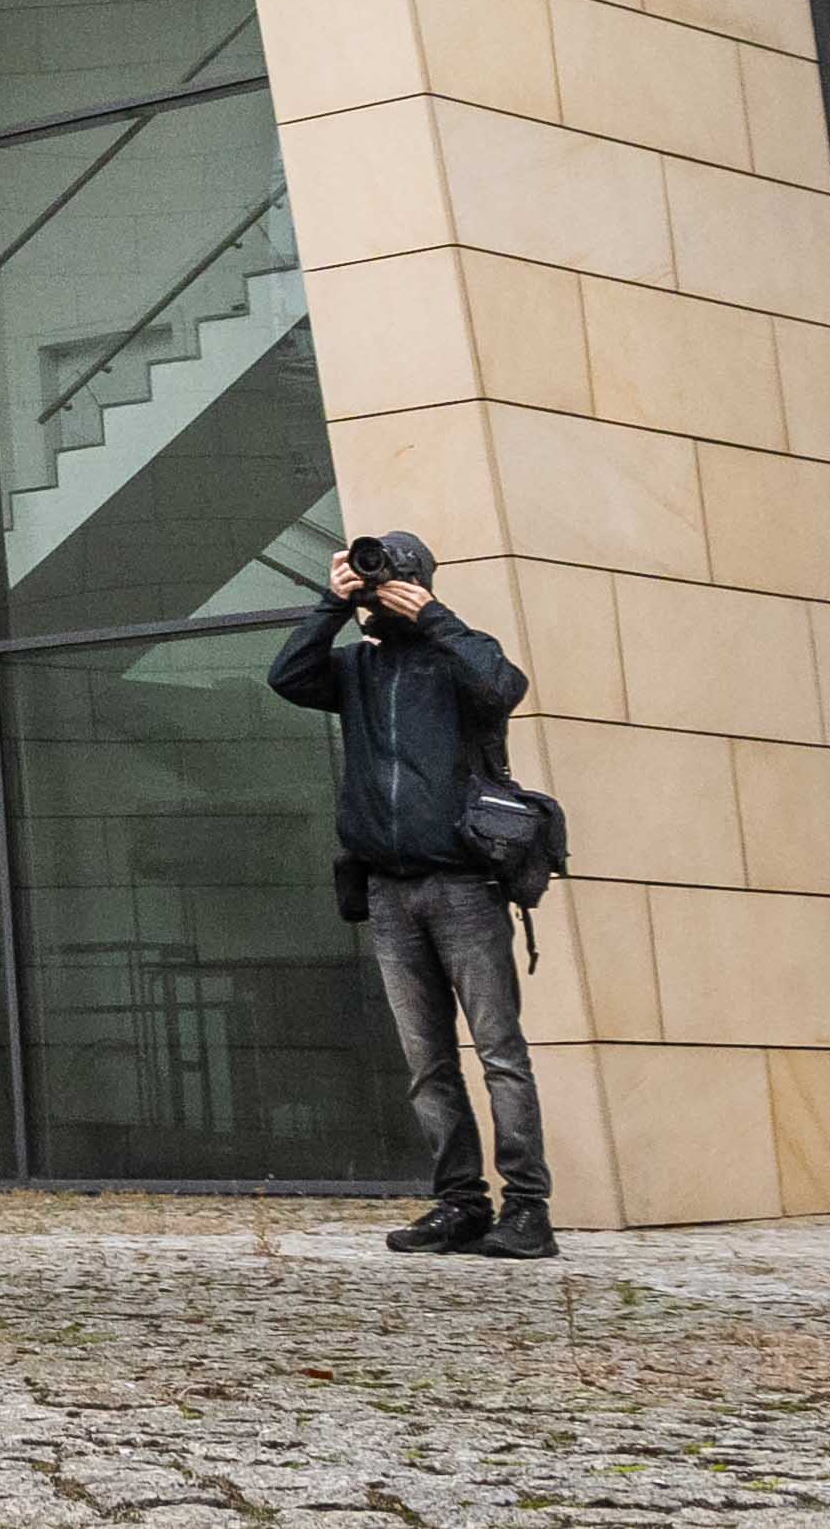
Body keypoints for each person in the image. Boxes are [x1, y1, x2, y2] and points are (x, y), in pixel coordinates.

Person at [269, 528, 548, 1257]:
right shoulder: (357, 670)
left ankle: (528, 1210)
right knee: (428, 1065)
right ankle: (460, 1203)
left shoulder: (455, 658)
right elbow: (287, 677)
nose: (376, 584)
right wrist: (330, 604)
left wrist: (433, 616)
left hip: (463, 887)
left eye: (388, 573)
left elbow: (505, 686)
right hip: (389, 895)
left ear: (418, 579)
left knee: (500, 1053)